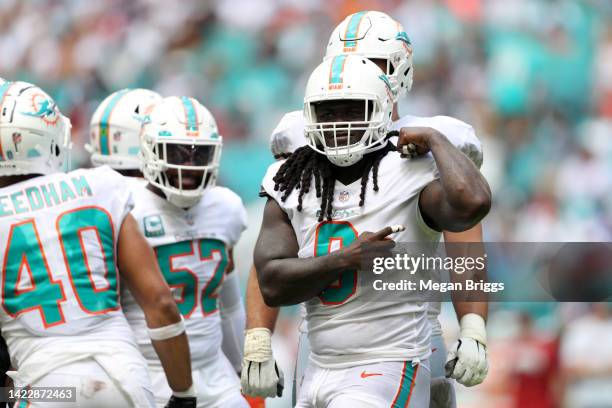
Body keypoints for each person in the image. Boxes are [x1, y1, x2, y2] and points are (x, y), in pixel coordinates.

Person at [242, 11, 489, 406]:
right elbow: (274, 251)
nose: (354, 72)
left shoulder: (426, 147)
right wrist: (258, 336)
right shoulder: (303, 145)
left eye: (370, 64)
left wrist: (473, 325)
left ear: (400, 71)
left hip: (406, 338)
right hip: (321, 338)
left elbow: (466, 242)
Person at [0, 81, 194, 408]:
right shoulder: (99, 184)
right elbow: (160, 302)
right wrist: (184, 395)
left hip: (48, 388)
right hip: (125, 380)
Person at [120, 96, 249, 408]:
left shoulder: (226, 206)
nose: (189, 165)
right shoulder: (125, 206)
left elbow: (229, 301)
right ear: (150, 150)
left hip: (214, 371)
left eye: (199, 154)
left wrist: (241, 368)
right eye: (177, 152)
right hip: (149, 372)